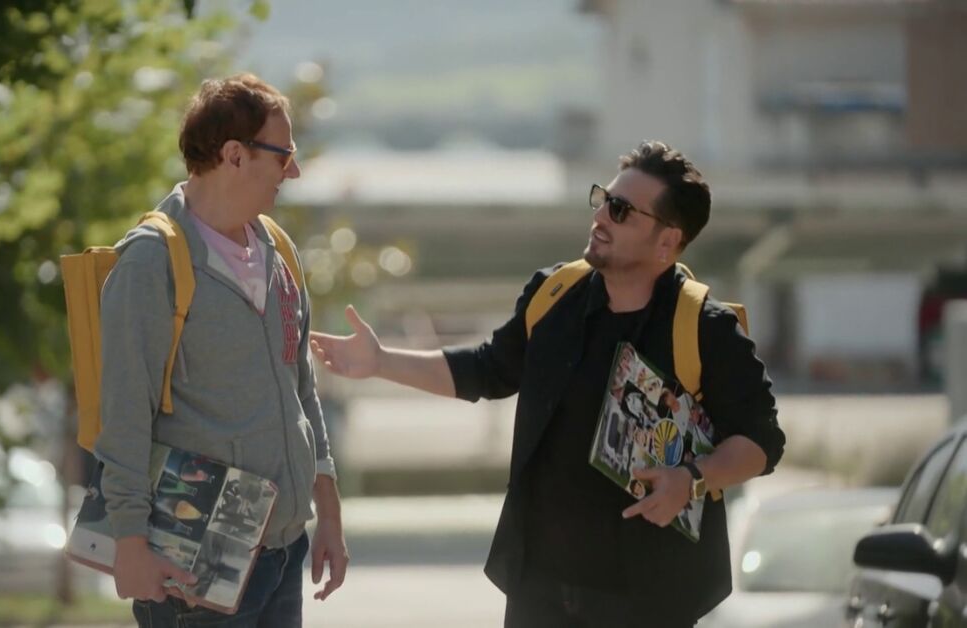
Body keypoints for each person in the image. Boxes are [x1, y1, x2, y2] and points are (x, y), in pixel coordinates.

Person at [310, 140, 785, 627]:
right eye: (602, 199)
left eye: (621, 210)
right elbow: (487, 369)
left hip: (650, 599)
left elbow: (762, 442)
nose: (600, 216)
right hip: (538, 590)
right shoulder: (554, 295)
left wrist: (692, 479)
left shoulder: (704, 327)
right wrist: (381, 361)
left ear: (667, 240)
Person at [95, 73, 348, 627]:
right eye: (284, 155)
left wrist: (326, 511)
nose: (294, 172)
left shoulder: (278, 250)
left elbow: (301, 391)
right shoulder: (150, 262)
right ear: (235, 155)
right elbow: (124, 415)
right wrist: (130, 542)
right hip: (193, 568)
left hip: (283, 554)